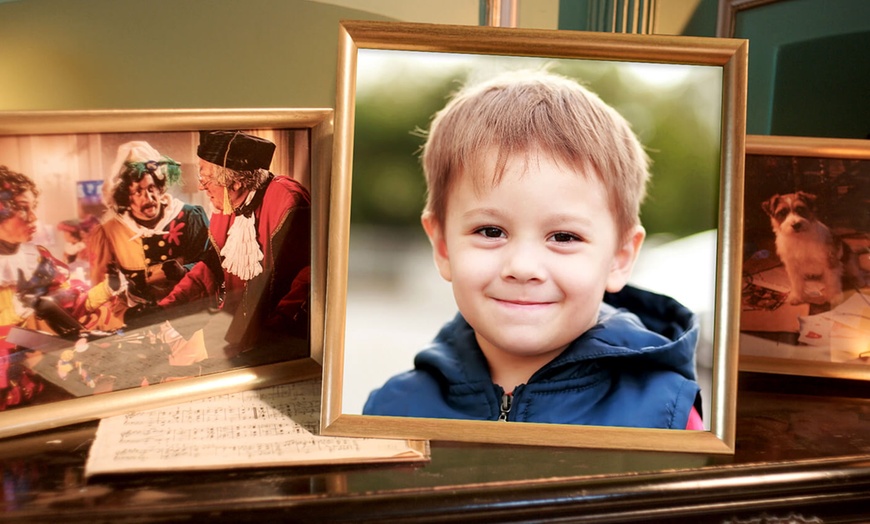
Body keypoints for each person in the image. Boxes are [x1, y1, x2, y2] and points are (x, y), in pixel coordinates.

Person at [363, 70, 704, 430]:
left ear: (620, 258)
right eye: (491, 231)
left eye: (564, 237)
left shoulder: (668, 418)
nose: (523, 267)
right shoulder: (391, 412)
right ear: (443, 247)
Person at [159, 131, 311, 360]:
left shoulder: (288, 202)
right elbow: (211, 267)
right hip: (234, 329)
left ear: (236, 182)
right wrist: (166, 307)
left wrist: (260, 339)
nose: (202, 188)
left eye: (205, 179)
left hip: (273, 341)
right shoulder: (226, 206)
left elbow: (304, 283)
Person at [86, 141, 211, 331]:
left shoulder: (189, 217)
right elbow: (100, 292)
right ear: (125, 197)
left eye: (152, 188)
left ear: (160, 188)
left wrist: (184, 271)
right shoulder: (109, 232)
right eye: (138, 192)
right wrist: (126, 316)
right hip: (136, 326)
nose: (149, 199)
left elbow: (212, 267)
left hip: (190, 320)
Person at [0, 166, 88, 409]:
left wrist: (113, 292)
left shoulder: (35, 257)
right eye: (22, 208)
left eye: (32, 208)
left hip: (36, 387)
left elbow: (70, 301)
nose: (33, 218)